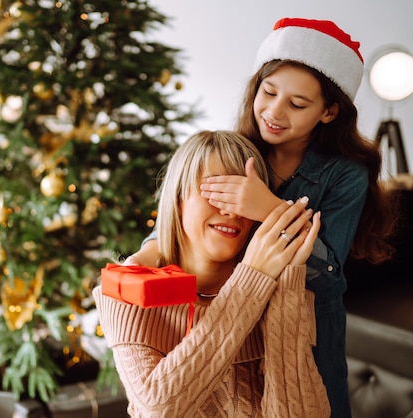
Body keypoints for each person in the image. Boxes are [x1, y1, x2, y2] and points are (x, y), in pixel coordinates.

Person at [125, 18, 396, 417]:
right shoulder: (239, 149)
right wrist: (150, 250)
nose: (274, 111)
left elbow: (329, 272)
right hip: (239, 313)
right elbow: (187, 209)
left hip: (309, 330)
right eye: (268, 92)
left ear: (329, 111)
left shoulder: (345, 173)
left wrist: (268, 207)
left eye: (297, 104)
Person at [94, 130, 330, 417]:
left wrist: (287, 279)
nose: (231, 212)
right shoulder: (129, 292)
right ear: (179, 197)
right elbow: (159, 409)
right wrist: (251, 279)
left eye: (244, 199)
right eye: (219, 192)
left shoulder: (282, 289)